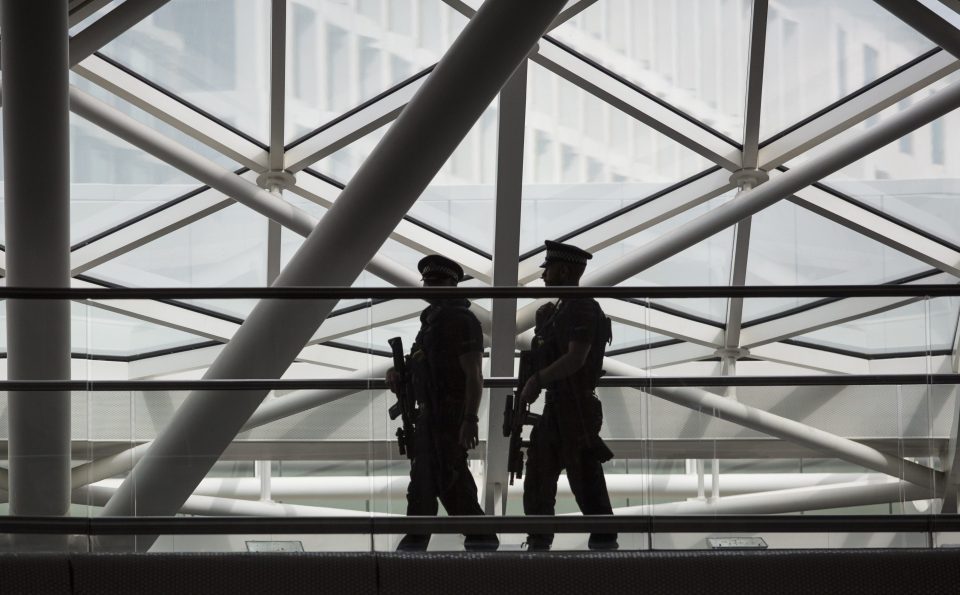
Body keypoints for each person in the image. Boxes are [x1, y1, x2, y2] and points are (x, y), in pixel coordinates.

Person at [387, 254, 499, 552]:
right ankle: (419, 540)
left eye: (435, 283)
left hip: (448, 419)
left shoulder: (461, 321)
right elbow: (418, 362)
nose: (429, 289)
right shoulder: (431, 321)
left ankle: (479, 538)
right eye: (428, 283)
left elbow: (475, 375)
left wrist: (469, 420)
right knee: (425, 483)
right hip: (429, 418)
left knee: (451, 480)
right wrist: (398, 373)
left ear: (452, 284)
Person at [519, 240, 617, 551]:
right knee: (538, 477)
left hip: (574, 406)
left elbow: (577, 357)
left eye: (548, 269)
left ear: (564, 270)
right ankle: (539, 540)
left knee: (585, 480)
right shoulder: (555, 310)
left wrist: (538, 378)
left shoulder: (581, 306)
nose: (543, 276)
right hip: (558, 406)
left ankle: (603, 543)